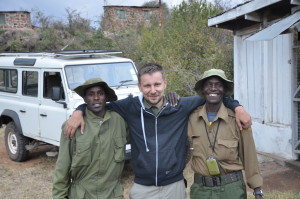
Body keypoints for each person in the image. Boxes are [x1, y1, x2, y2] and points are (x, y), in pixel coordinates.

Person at [64, 63, 252, 199]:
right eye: (147, 86)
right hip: (142, 187)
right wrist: (79, 110)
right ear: (139, 87)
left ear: (165, 84)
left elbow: (214, 96)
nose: (152, 90)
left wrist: (237, 107)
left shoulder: (181, 105)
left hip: (174, 186)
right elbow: (99, 103)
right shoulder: (129, 106)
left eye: (157, 85)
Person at [187, 69, 263, 199]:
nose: (213, 88)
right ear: (203, 89)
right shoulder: (191, 118)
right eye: (208, 84)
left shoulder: (238, 119)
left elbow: (249, 156)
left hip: (231, 190)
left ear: (224, 90)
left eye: (218, 85)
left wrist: (257, 191)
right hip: (201, 191)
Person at [52, 78, 128, 199]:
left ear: (106, 97)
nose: (96, 98)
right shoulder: (72, 126)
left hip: (112, 194)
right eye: (91, 94)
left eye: (100, 93)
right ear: (85, 99)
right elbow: (62, 167)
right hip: (82, 195)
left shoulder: (120, 122)